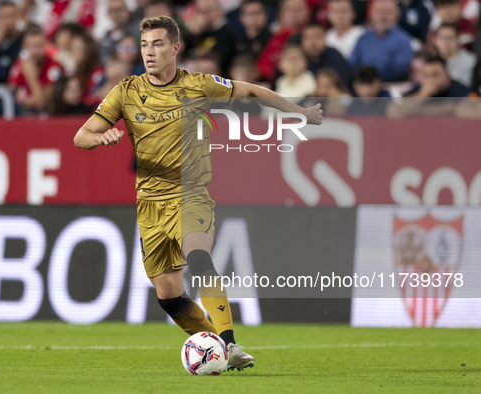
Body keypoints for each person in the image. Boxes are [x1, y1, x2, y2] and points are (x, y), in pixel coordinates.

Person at [73, 16, 322, 371]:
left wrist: (300, 112)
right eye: (145, 45)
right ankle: (220, 349)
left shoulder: (199, 85)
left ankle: (231, 345)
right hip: (150, 203)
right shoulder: (126, 91)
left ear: (176, 48)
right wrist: (101, 138)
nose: (149, 52)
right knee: (168, 295)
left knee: (199, 258)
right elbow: (80, 136)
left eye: (158, 44)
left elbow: (251, 90)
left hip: (191, 193)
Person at [388, 56, 477, 117]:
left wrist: (416, 110)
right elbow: (394, 112)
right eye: (426, 75)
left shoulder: (462, 91)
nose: (430, 80)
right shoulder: (418, 90)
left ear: (447, 74)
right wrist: (423, 95)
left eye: (435, 75)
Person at [350, 0, 413, 82]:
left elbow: (400, 70)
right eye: (379, 12)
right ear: (371, 15)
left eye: (387, 12)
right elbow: (353, 64)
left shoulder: (403, 40)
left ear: (397, 15)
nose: (382, 17)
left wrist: (373, 81)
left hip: (391, 86)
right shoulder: (363, 38)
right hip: (362, 85)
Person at [7, 23, 62, 115]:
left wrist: (31, 75)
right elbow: (11, 93)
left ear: (46, 45)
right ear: (24, 47)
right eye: (31, 46)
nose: (35, 51)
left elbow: (41, 102)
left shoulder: (54, 66)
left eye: (39, 46)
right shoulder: (19, 64)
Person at [184, 0, 238, 75]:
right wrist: (194, 33)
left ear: (219, 10)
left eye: (208, 11)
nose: (204, 16)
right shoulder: (200, 32)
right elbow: (185, 52)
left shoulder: (228, 32)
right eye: (200, 12)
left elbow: (222, 59)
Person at [302, 23, 352, 89]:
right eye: (308, 38)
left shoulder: (336, 59)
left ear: (325, 38)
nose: (312, 43)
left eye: (316, 37)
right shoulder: (301, 59)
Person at [433, 23, 477, 88]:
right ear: (436, 41)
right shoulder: (431, 62)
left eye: (449, 38)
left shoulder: (471, 61)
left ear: (457, 40)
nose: (446, 42)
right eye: (442, 37)